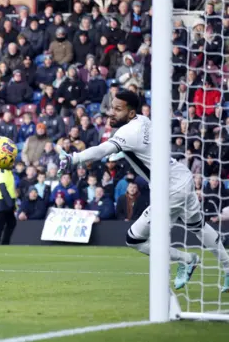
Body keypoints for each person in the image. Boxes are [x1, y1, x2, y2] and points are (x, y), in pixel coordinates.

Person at [59, 90, 229, 291]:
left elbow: (103, 150)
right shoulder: (142, 120)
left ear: (131, 113)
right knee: (198, 227)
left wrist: (74, 158)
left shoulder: (128, 132)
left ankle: (186, 259)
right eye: (111, 107)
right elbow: (138, 151)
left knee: (135, 238)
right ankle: (226, 267)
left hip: (169, 189)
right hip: (181, 177)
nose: (111, 113)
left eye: (117, 109)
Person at [0, 165, 17, 245]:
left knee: (10, 223)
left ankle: (4, 243)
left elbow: (10, 188)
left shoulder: (7, 171)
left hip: (5, 202)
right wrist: (10, 203)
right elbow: (2, 188)